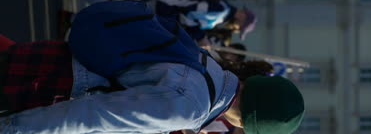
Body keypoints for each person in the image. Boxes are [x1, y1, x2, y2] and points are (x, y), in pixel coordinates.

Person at [0, 25, 303, 134]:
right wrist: (11, 129)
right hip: (48, 87)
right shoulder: (192, 107)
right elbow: (93, 116)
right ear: (247, 124)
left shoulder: (208, 66)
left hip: (57, 60)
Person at [56, 0, 257, 45]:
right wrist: (199, 36)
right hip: (164, 10)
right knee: (115, 16)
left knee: (116, 16)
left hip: (164, 9)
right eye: (241, 27)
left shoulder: (222, 11)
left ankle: (73, 15)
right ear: (241, 16)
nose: (237, 30)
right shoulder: (220, 12)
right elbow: (188, 15)